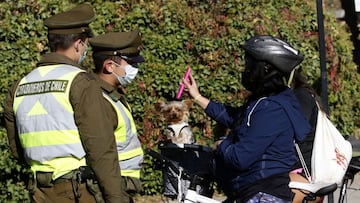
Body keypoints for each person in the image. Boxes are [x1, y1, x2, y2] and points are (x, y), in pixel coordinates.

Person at [3, 3, 130, 203]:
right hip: (77, 192)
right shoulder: (80, 82)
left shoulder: (20, 85)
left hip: (38, 192)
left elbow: (16, 148)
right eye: (86, 44)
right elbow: (101, 149)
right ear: (79, 44)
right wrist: (116, 199)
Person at [183, 35, 311, 203]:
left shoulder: (272, 109)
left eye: (249, 65)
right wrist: (198, 97)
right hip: (249, 191)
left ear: (265, 68)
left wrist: (222, 144)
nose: (246, 70)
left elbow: (240, 158)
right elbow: (235, 118)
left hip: (263, 194)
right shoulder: (264, 101)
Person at [89, 30, 145, 200]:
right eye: (130, 64)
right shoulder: (99, 99)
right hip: (113, 187)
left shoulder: (113, 94)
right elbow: (101, 153)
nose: (134, 69)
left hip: (122, 185)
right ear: (109, 66)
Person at [290, 71, 323, 203]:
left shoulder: (301, 96)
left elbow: (298, 128)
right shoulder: (305, 95)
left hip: (303, 174)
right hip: (307, 172)